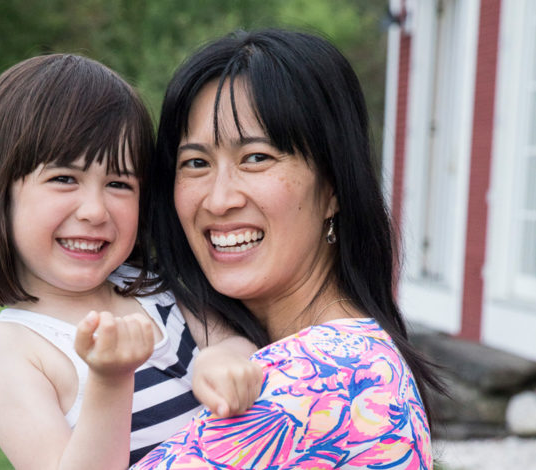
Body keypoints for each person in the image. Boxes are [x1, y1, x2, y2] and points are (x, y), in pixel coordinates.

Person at [133, 29, 442, 469]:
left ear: (334, 186)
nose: (219, 199)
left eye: (256, 157)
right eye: (195, 163)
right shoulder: (356, 358)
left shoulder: (327, 377)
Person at [0, 54, 262, 470]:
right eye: (64, 178)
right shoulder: (7, 349)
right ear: (0, 191)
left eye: (119, 183)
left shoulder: (154, 285)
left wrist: (221, 361)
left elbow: (229, 340)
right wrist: (111, 379)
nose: (95, 211)